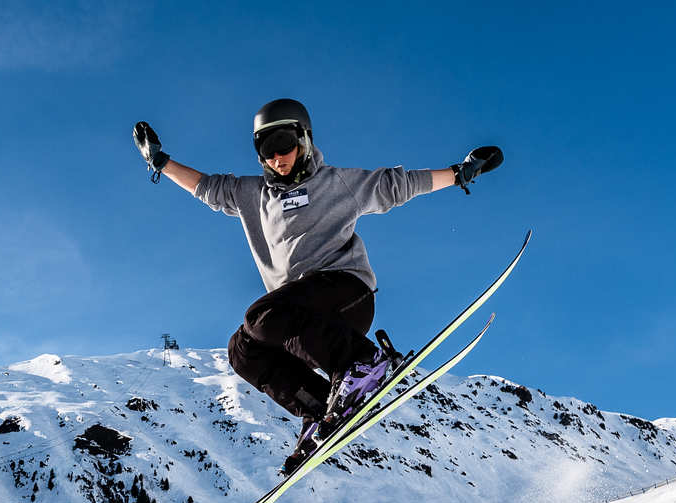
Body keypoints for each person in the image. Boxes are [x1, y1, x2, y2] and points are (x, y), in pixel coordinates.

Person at [134, 100, 501, 473]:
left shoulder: (336, 183)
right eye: (267, 149)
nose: (279, 157)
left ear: (304, 140)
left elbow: (396, 185)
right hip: (298, 320)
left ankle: (363, 363)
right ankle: (318, 406)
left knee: (261, 314)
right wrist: (160, 162)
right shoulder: (253, 195)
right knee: (242, 350)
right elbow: (206, 187)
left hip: (346, 294)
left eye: (285, 144)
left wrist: (460, 173)